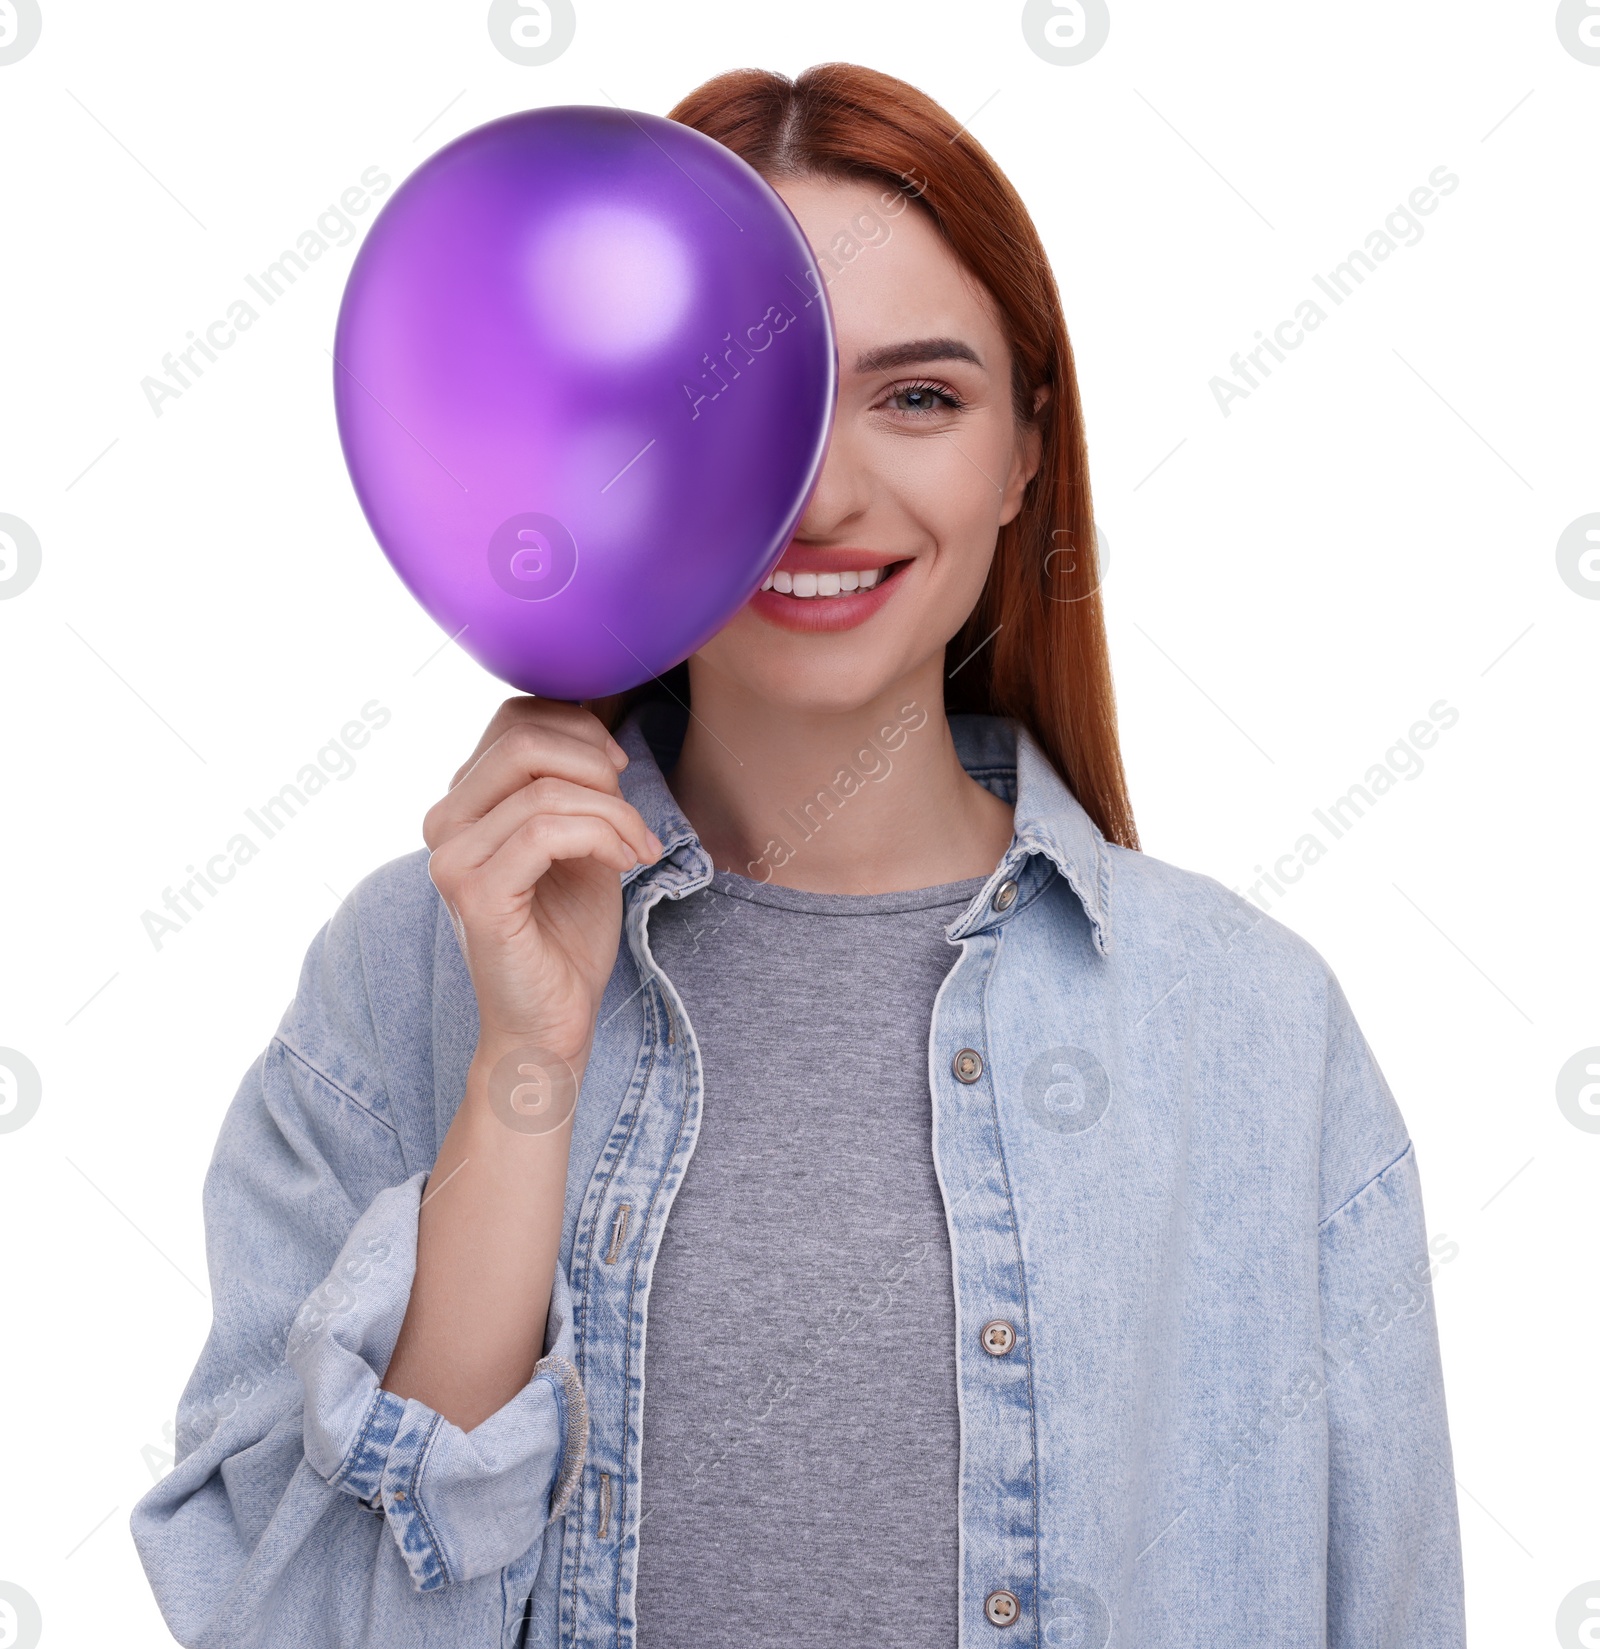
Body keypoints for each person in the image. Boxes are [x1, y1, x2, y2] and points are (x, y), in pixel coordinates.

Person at [131, 62, 1466, 1648]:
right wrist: (525, 1069)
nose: (822, 494)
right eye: (739, 402)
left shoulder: (1253, 1027)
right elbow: (297, 1628)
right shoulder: (409, 972)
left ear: (1024, 455)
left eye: (920, 396)